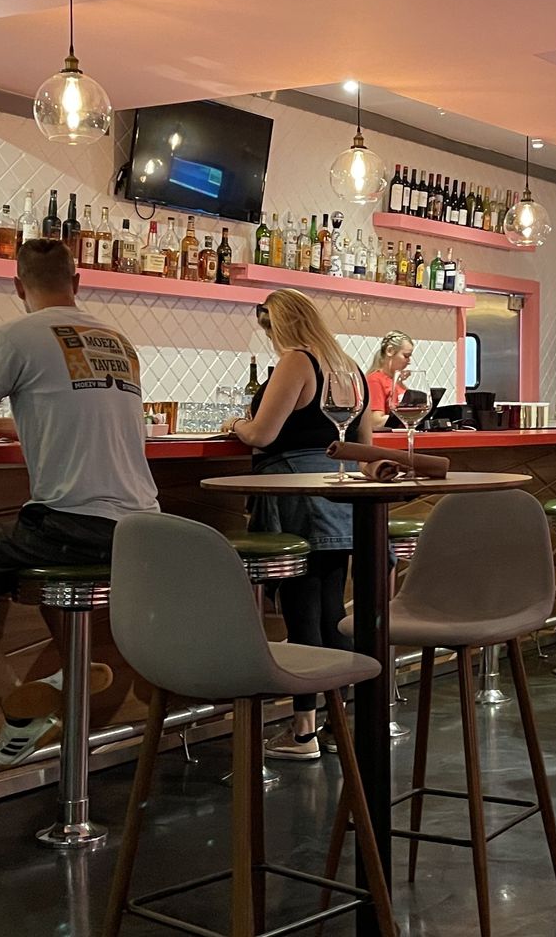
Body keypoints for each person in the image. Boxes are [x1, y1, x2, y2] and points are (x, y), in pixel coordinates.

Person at [0, 238, 160, 767]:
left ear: (18, 286)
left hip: (71, 525)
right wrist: (7, 424)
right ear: (78, 283)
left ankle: (19, 709)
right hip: (141, 529)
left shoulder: (13, 336)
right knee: (49, 559)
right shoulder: (117, 341)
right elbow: (74, 416)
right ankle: (74, 668)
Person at [222, 289, 367, 760]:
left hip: (294, 492)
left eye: (267, 327)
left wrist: (237, 424)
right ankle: (334, 719)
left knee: (300, 608)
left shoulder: (296, 361)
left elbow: (263, 433)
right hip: (340, 492)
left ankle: (303, 729)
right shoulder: (349, 367)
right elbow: (361, 446)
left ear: (277, 324)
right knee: (329, 609)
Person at [364, 330, 414, 432]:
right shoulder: (375, 380)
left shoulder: (397, 382)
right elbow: (375, 421)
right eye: (406, 356)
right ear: (390, 351)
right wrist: (409, 418)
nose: (409, 361)